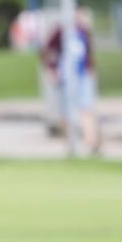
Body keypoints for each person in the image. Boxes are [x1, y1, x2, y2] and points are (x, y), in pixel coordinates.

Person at [41, 17, 102, 153]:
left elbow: (89, 52)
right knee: (66, 113)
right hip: (65, 78)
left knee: (86, 109)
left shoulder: (83, 30)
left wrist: (91, 70)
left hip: (82, 76)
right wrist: (52, 70)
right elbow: (47, 51)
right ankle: (69, 146)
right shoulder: (60, 31)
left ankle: (92, 143)